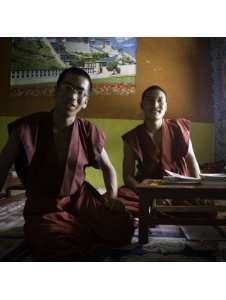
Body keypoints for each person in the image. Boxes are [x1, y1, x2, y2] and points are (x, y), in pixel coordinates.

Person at [0, 67, 134, 261]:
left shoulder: (88, 131)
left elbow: (109, 169)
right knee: (54, 243)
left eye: (80, 91)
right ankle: (75, 231)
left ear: (85, 101)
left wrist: (112, 198)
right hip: (45, 205)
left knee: (122, 227)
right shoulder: (28, 127)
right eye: (67, 88)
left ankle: (78, 228)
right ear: (56, 91)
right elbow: (3, 165)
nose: (73, 95)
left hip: (79, 199)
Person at [118, 85, 207, 216]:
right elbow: (128, 176)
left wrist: (198, 190)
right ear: (142, 105)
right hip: (147, 187)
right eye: (149, 100)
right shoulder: (132, 137)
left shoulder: (178, 128)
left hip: (178, 186)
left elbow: (191, 160)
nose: (155, 104)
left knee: (203, 209)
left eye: (160, 100)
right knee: (118, 205)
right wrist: (147, 194)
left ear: (166, 106)